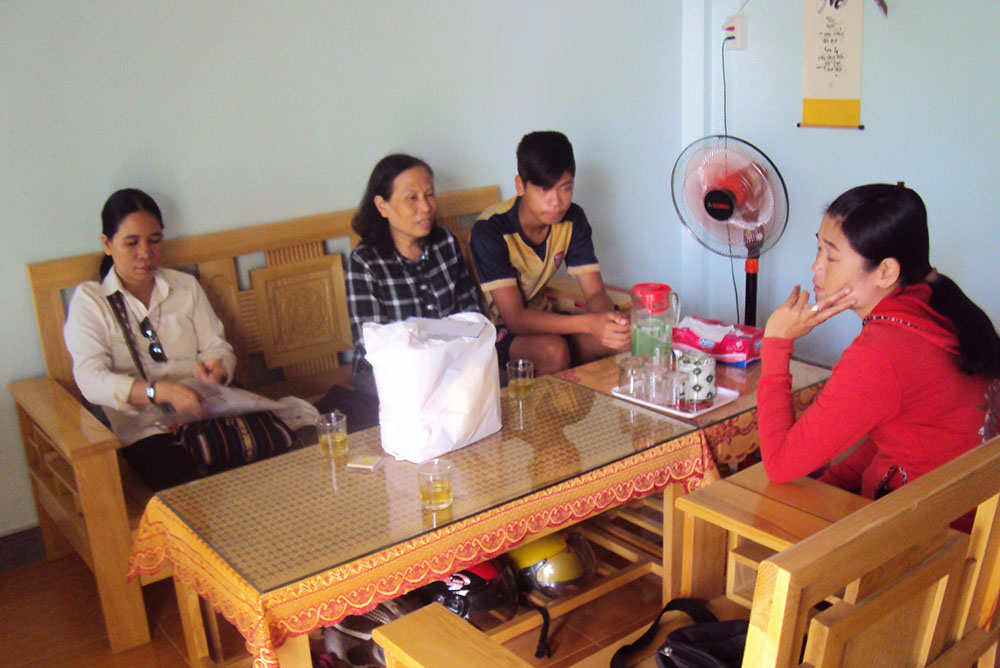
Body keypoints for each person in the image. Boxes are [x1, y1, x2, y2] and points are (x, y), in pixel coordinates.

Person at [758, 183, 1000, 508]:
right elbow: (892, 433)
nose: (816, 266)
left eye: (831, 256)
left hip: (921, 535)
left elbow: (779, 465)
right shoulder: (938, 304)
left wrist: (775, 342)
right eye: (818, 249)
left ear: (885, 271)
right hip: (960, 517)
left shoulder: (883, 351)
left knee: (755, 498)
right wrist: (835, 481)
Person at [63, 188, 237, 490]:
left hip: (205, 413)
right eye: (131, 243)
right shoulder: (92, 301)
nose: (145, 253)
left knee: (275, 467)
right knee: (190, 493)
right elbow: (90, 379)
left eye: (154, 240)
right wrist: (161, 392)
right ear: (107, 244)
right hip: (147, 431)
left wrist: (218, 368)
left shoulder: (185, 287)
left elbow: (217, 345)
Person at [470, 131, 629, 377]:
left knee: (620, 340)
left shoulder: (573, 218)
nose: (556, 201)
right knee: (552, 351)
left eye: (565, 188)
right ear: (520, 185)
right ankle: (549, 414)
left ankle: (599, 413)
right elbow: (514, 318)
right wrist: (589, 323)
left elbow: (595, 291)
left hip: (547, 319)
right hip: (496, 331)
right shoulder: (491, 229)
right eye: (544, 190)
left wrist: (609, 322)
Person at [345, 154, 480, 396]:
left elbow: (470, 313)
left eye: (429, 195)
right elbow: (373, 343)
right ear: (382, 206)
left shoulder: (445, 243)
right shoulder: (365, 261)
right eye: (412, 198)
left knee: (490, 387)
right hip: (389, 374)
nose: (426, 207)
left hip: (451, 361)